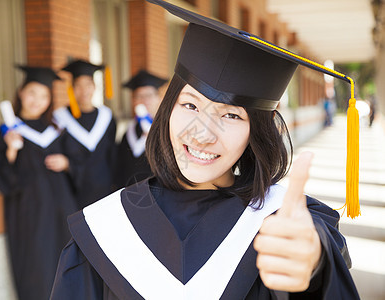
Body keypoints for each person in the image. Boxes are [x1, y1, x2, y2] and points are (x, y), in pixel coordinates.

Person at [50, 1, 360, 299]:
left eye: (231, 115)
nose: (202, 135)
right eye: (190, 104)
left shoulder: (284, 220)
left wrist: (315, 268)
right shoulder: (105, 228)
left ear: (258, 132)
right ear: (168, 108)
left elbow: (318, 268)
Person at [0, 65, 78, 300]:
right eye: (32, 93)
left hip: (61, 211)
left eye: (43, 95)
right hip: (29, 214)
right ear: (20, 93)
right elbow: (3, 178)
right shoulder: (9, 131)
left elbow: (79, 168)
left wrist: (66, 162)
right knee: (36, 270)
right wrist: (11, 149)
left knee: (65, 267)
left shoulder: (56, 129)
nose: (37, 100)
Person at [54, 59, 117, 209]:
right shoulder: (60, 119)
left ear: (95, 87)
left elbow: (112, 154)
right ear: (72, 88)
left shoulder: (107, 117)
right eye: (78, 85)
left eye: (88, 84)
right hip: (73, 192)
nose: (84, 91)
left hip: (104, 191)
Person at [115, 69, 168, 189]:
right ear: (133, 101)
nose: (144, 101)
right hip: (133, 195)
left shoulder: (169, 129)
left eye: (149, 95)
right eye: (139, 96)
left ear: (159, 98)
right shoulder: (128, 133)